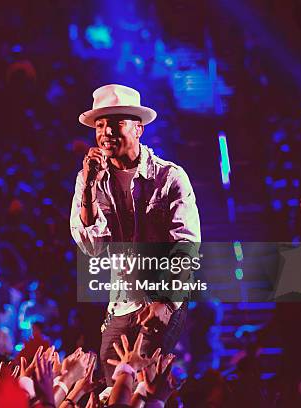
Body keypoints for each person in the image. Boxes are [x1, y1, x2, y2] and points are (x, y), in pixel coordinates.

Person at [70, 84, 201, 384]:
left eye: (115, 124)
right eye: (100, 126)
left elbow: (186, 244)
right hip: (121, 304)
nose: (106, 133)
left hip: (162, 298)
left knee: (139, 384)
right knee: (110, 385)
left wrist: (166, 301)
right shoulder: (89, 179)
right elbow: (92, 247)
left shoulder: (169, 177)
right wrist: (89, 188)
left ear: (138, 128)